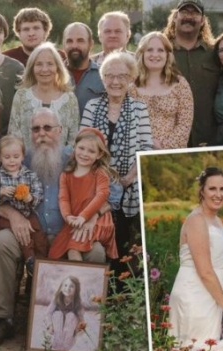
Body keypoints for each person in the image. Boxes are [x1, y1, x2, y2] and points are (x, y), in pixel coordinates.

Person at [0, 108, 115, 346]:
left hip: (70, 233)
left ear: (60, 131)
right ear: (30, 133)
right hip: (29, 234)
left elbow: (113, 193)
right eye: (36, 129)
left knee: (95, 251)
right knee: (0, 242)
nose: (42, 134)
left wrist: (95, 214)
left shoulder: (77, 156)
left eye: (48, 128)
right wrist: (13, 214)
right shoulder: (17, 158)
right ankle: (2, 318)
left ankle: (90, 323)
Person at [80, 51, 153, 281]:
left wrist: (129, 178)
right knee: (98, 241)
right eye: (110, 76)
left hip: (129, 186)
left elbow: (146, 149)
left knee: (123, 244)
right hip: (94, 188)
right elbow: (81, 145)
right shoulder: (92, 106)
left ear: (131, 78)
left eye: (122, 76)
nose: (115, 81)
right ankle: (98, 293)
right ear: (103, 79)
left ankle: (120, 295)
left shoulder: (139, 109)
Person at [167, 167, 223, 349]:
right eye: (212, 189)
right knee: (195, 345)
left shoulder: (217, 221)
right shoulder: (197, 220)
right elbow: (204, 271)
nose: (218, 194)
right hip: (194, 294)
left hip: (212, 296)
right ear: (201, 191)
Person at [48, 128, 118, 261]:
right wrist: (68, 216)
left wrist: (83, 216)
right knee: (55, 252)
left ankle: (80, 280)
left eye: (91, 151)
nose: (85, 154)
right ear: (74, 148)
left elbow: (101, 195)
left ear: (99, 155)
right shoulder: (66, 175)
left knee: (73, 249)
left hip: (97, 221)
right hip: (76, 220)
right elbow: (63, 198)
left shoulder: (99, 173)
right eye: (81, 148)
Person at [0, 135, 45, 275]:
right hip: (5, 218)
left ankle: (41, 262)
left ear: (23, 156)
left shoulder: (30, 176)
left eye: (16, 156)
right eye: (7, 157)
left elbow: (38, 196)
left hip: (28, 214)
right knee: (23, 236)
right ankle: (30, 259)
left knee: (38, 234)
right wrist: (1, 192)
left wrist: (29, 198)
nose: (12, 160)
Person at [163, 0, 219, 147]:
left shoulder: (215, 53)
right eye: (184, 12)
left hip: (208, 137)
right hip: (169, 138)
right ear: (175, 17)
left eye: (194, 13)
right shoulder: (161, 52)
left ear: (202, 21)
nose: (189, 17)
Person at [8, 42, 79, 151]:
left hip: (61, 164)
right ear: (32, 68)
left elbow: (73, 139)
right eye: (39, 64)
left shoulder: (69, 99)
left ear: (57, 67)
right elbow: (13, 136)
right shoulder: (21, 96)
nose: (44, 69)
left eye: (50, 64)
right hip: (25, 164)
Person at [130, 31, 193, 149]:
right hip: (136, 151)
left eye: (160, 50)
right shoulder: (132, 86)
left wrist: (163, 146)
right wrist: (146, 144)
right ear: (142, 53)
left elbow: (184, 124)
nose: (155, 54)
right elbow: (127, 122)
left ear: (168, 55)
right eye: (149, 50)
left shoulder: (179, 84)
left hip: (170, 153)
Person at [62, 22, 105, 116]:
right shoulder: (54, 75)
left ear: (91, 44)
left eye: (80, 41)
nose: (74, 46)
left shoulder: (103, 76)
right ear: (64, 45)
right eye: (69, 41)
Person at [43, 276, 85, 350]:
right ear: (61, 287)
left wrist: (77, 330)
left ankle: (67, 345)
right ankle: (56, 343)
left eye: (71, 286)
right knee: (58, 314)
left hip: (69, 333)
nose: (67, 288)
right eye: (65, 285)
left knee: (71, 315)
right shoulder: (56, 300)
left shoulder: (77, 304)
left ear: (76, 289)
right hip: (56, 331)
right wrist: (50, 325)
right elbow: (48, 313)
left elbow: (81, 320)